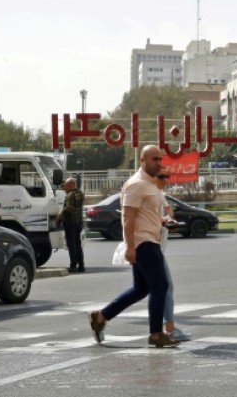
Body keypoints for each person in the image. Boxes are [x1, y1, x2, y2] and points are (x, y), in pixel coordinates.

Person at [89, 145, 180, 348]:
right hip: (143, 242)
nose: (159, 163)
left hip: (150, 239)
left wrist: (164, 221)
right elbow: (128, 217)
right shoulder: (136, 184)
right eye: (154, 159)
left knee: (141, 289)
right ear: (143, 160)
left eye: (160, 159)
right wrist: (130, 247)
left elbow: (146, 215)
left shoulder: (150, 185)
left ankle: (101, 317)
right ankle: (156, 334)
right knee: (160, 285)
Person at [153, 169, 191, 342]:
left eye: (167, 177)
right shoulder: (149, 195)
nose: (165, 180)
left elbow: (168, 212)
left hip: (155, 247)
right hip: (149, 247)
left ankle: (102, 316)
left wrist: (169, 218)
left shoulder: (160, 195)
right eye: (161, 177)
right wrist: (164, 220)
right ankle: (168, 329)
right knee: (165, 287)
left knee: (141, 289)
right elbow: (145, 220)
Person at [55, 178, 85, 273]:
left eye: (65, 186)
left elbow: (69, 209)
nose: (64, 187)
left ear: (70, 185)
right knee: (78, 244)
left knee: (71, 244)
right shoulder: (80, 193)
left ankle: (73, 265)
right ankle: (81, 265)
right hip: (79, 222)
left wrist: (59, 217)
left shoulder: (70, 195)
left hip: (70, 222)